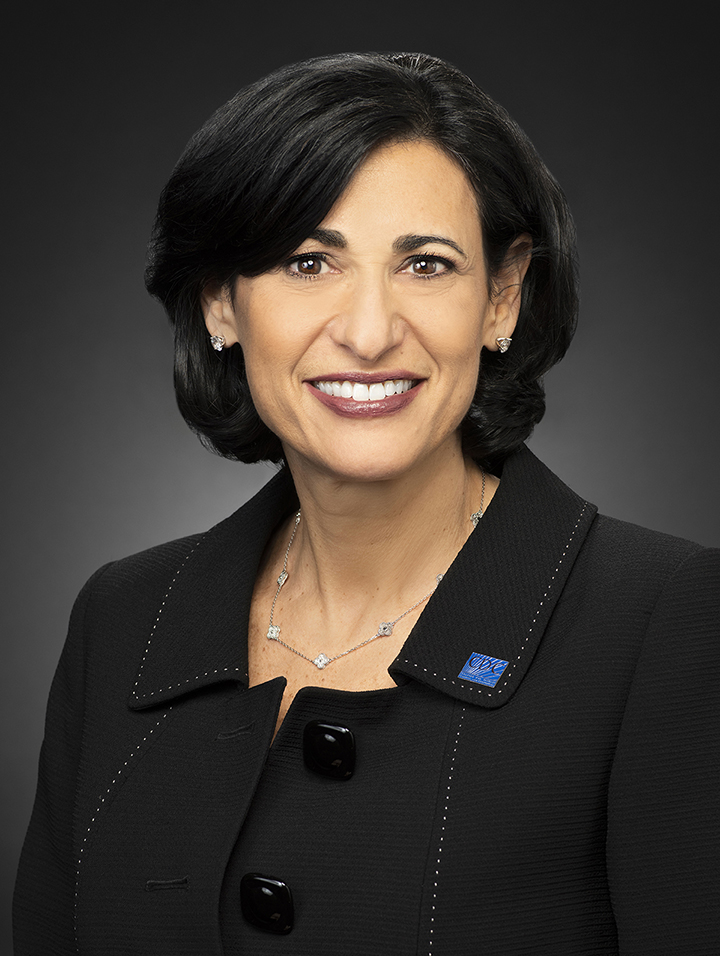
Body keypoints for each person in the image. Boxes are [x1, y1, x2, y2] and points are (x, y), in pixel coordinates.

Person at [13, 52, 719, 955]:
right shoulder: (122, 620)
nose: (371, 331)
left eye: (425, 265)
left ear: (502, 297)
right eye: (309, 262)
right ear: (219, 304)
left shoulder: (666, 624)